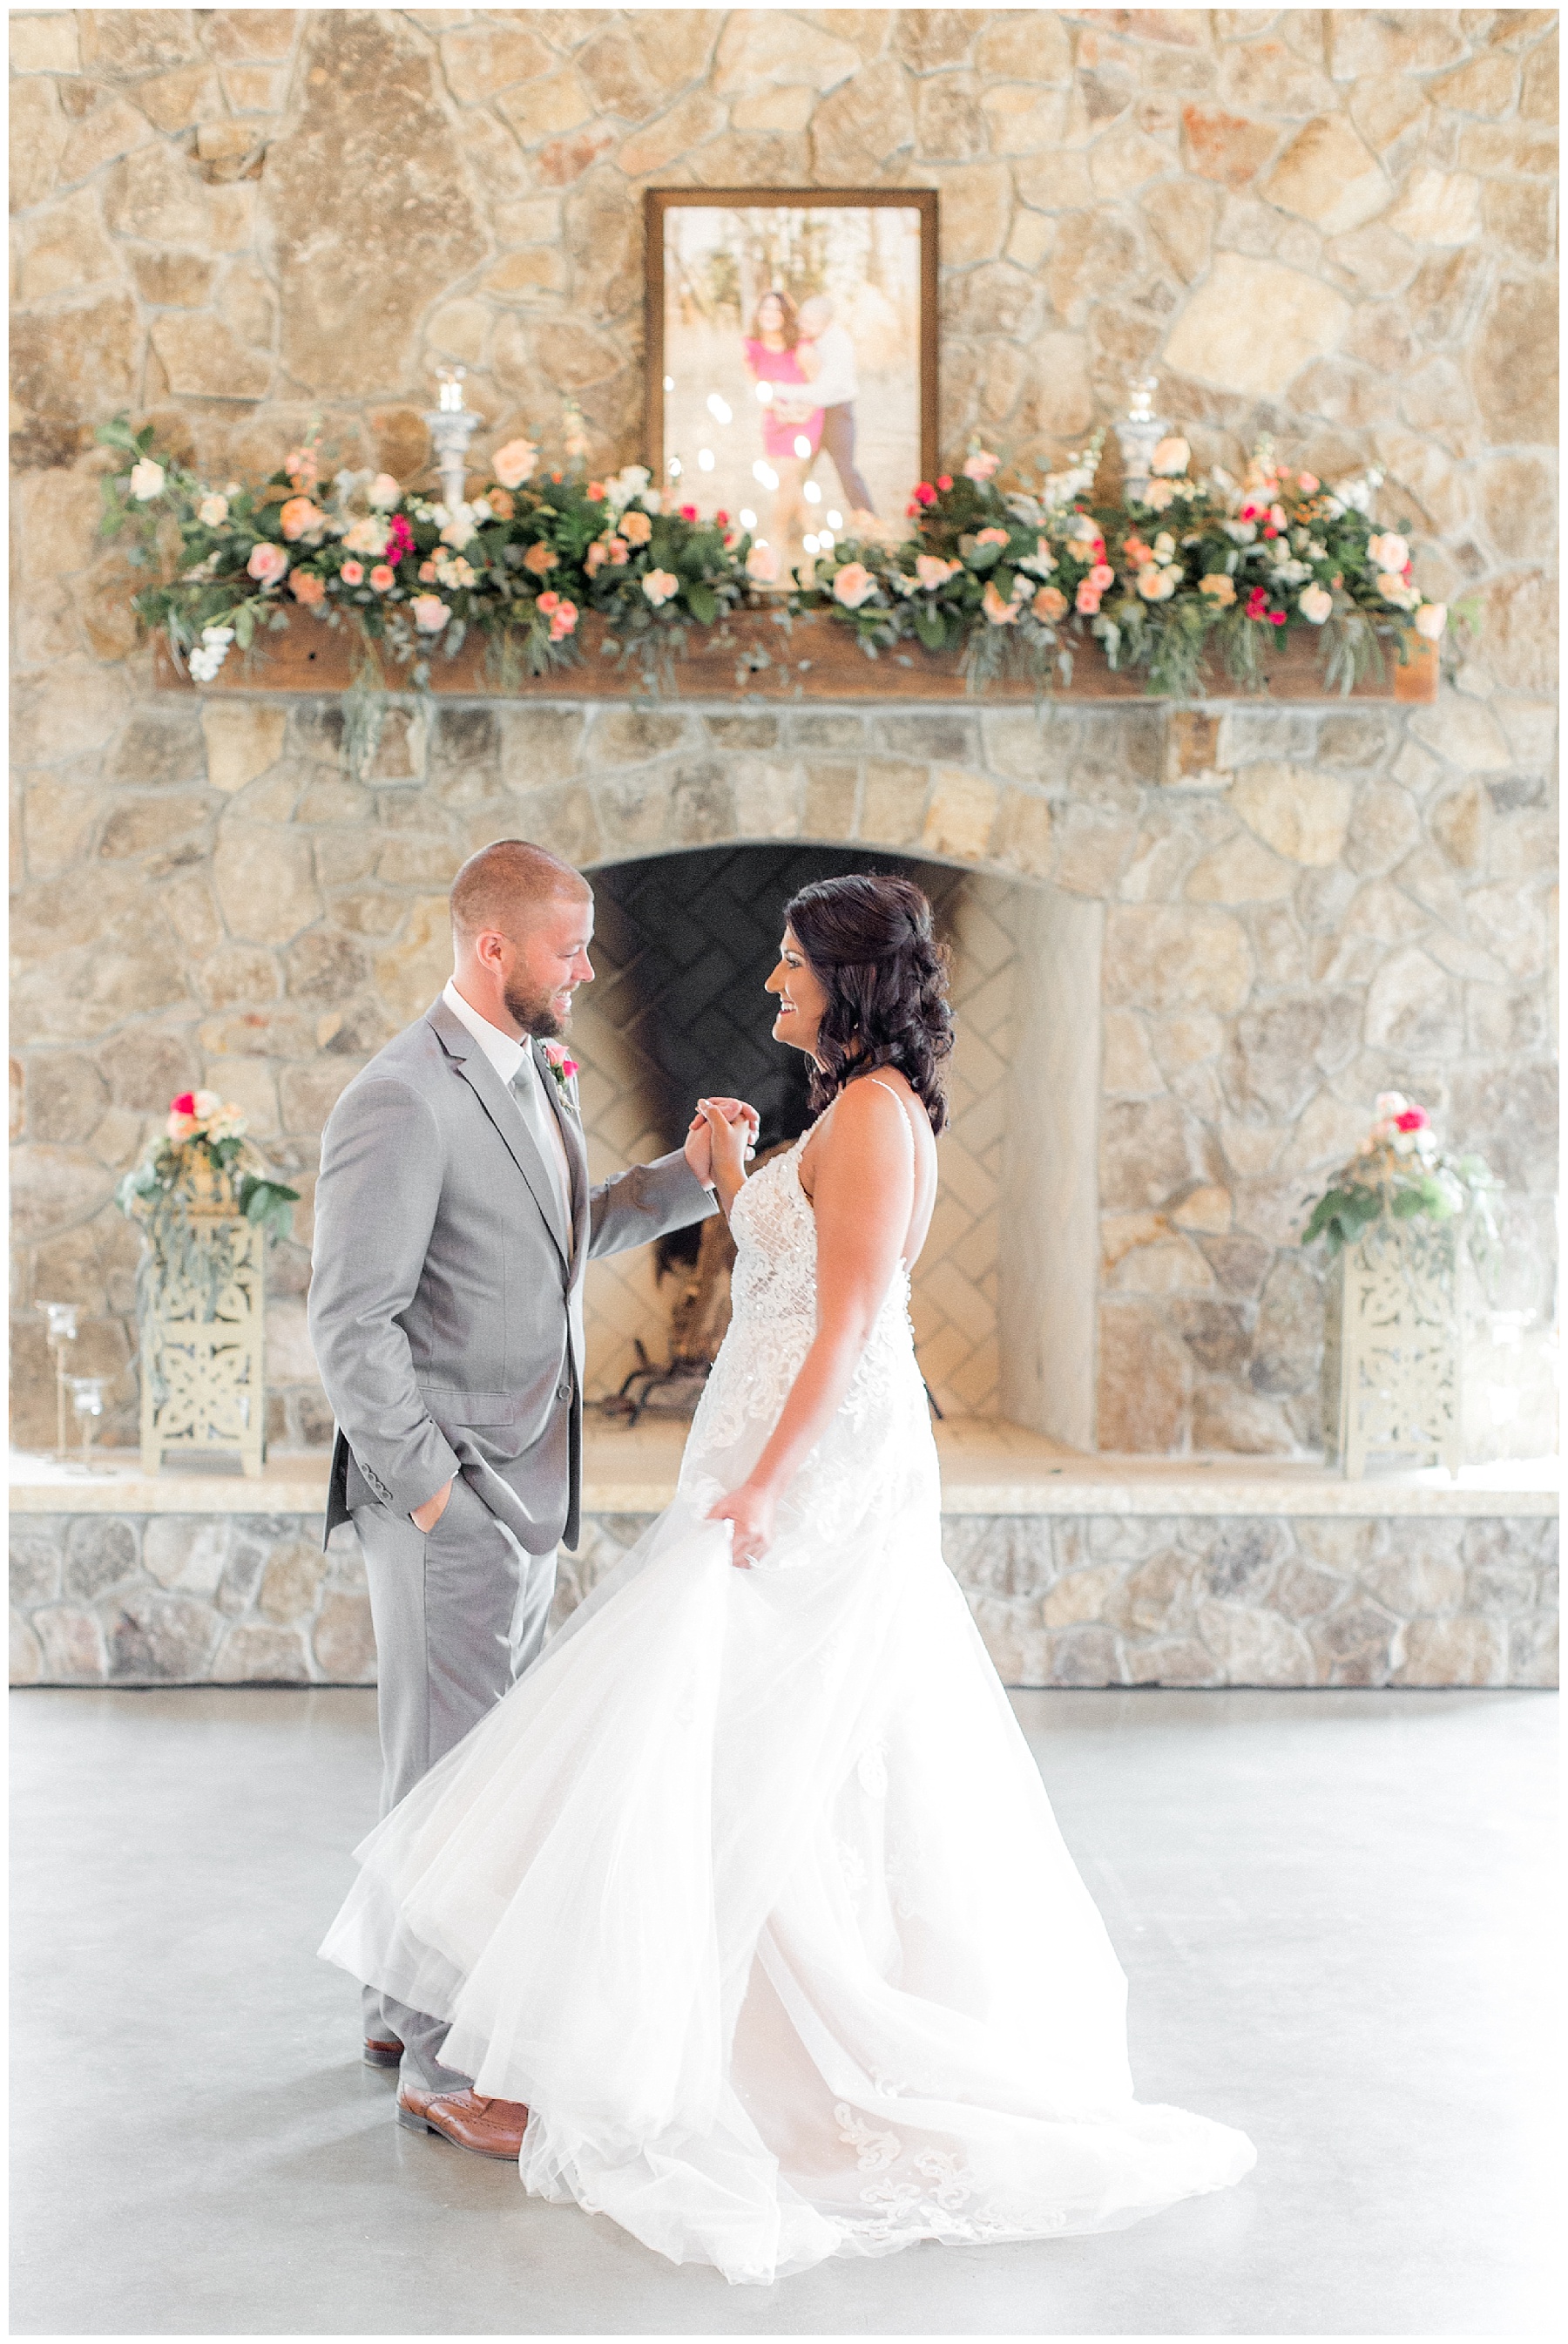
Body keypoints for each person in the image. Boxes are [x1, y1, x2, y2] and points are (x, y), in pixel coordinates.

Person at [321, 874, 1255, 2284]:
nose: (769, 989)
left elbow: (856, 1317)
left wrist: (764, 1480)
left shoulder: (877, 1116)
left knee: (732, 1749)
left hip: (804, 1479)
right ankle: (561, 2035)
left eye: (787, 969)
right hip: (752, 1461)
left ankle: (644, 2066)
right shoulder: (850, 1108)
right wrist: (726, 1178)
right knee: (718, 1749)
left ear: (844, 977)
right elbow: (776, 1260)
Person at [308, 837, 756, 2158]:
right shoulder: (400, 1096)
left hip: (525, 1486)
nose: (589, 966)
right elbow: (350, 1324)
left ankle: (401, 1999)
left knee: (451, 1767)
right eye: (570, 947)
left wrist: (682, 1177)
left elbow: (566, 1227)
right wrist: (436, 1492)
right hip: (452, 1490)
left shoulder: (528, 1072)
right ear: (492, 947)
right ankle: (450, 2067)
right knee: (466, 1771)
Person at [741, 288, 821, 572]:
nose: (770, 315)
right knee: (790, 482)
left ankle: (776, 539)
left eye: (777, 310)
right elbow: (756, 389)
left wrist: (800, 411)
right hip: (774, 419)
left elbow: (819, 388)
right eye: (765, 309)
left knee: (786, 478)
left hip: (805, 418)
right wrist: (777, 408)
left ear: (786, 316)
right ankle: (814, 532)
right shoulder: (751, 348)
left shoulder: (800, 348)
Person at [796, 292, 875, 518]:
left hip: (836, 412)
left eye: (810, 322)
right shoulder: (807, 338)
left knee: (845, 469)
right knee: (799, 469)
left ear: (827, 322)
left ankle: (867, 517)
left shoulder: (839, 344)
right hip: (810, 411)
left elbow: (824, 391)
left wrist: (781, 390)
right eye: (802, 319)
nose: (803, 325)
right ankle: (793, 520)